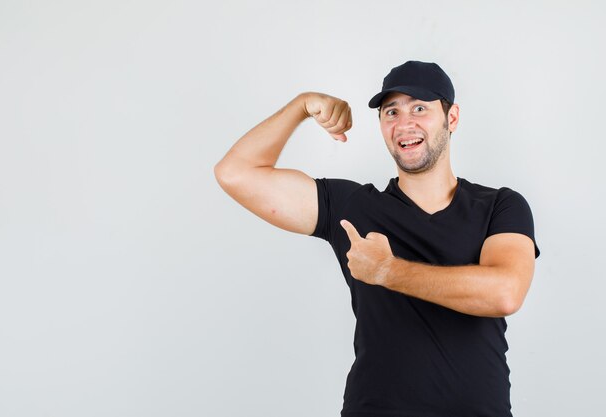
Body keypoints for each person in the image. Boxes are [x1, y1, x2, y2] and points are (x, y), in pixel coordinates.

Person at [214, 61, 540, 417]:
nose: (404, 123)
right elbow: (235, 173)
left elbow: (505, 293)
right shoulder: (354, 207)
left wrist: (387, 271)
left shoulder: (499, 206)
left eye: (420, 108)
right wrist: (301, 105)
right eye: (391, 112)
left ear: (452, 118)